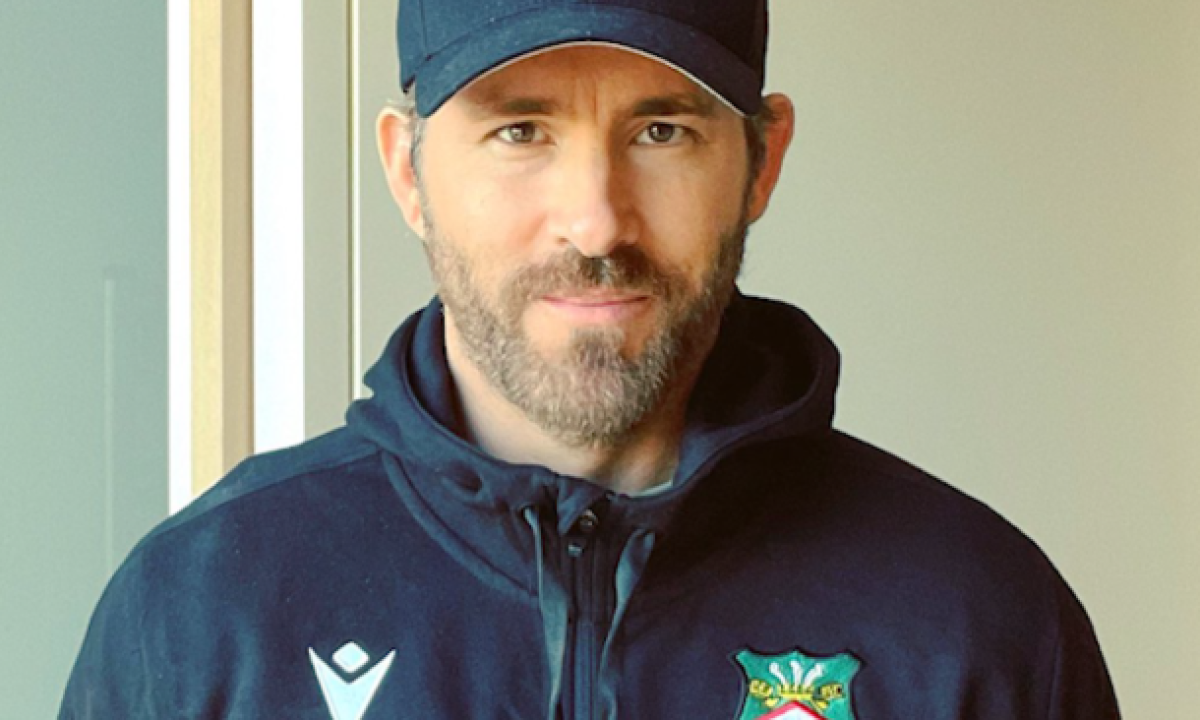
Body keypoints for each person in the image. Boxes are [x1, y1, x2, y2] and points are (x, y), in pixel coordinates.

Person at [61, 1, 1121, 718]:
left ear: (761, 162)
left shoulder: (977, 624)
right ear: (408, 171)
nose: (596, 220)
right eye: (521, 132)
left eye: (662, 132)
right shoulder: (200, 615)